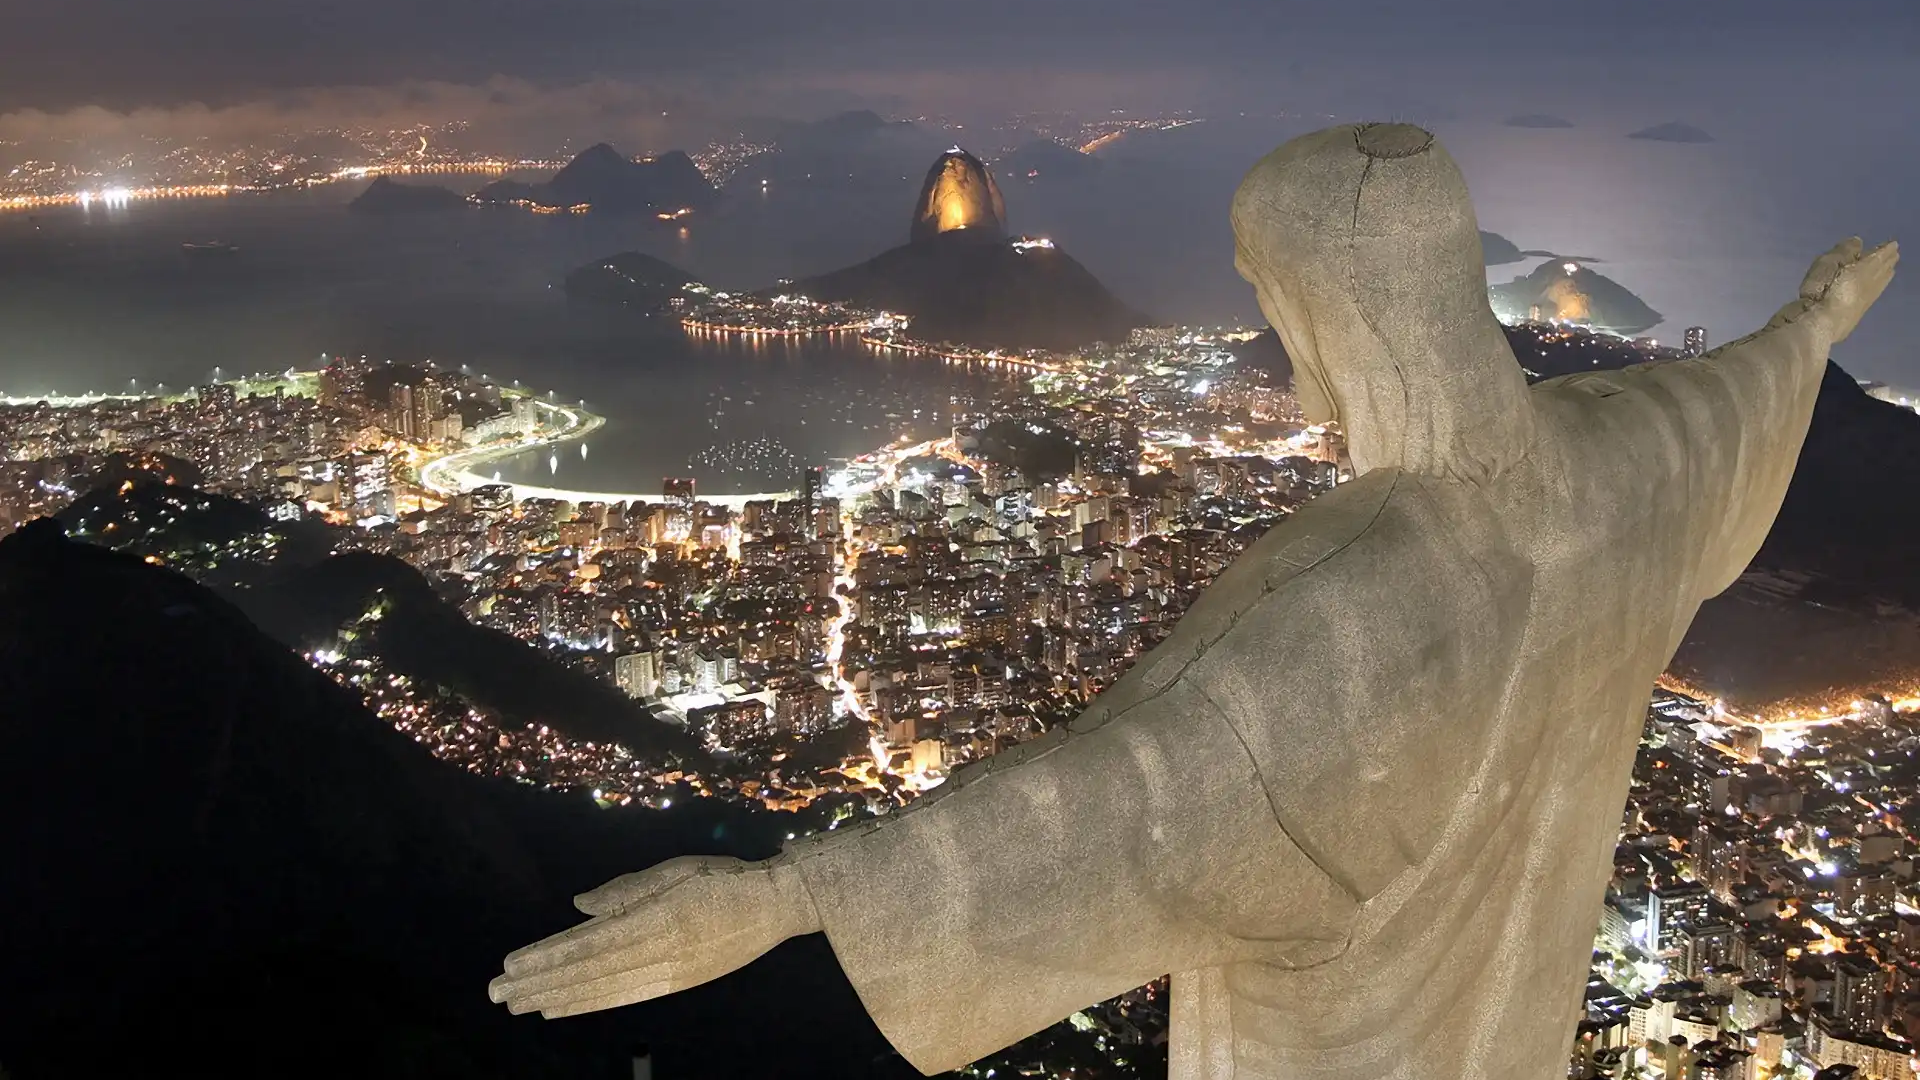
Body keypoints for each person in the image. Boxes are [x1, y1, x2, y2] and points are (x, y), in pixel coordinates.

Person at [489, 123, 1898, 1080]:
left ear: (1337, 315)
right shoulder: (1622, 467)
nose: (1285, 367)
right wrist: (1817, 321)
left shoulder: (1350, 607)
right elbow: (1736, 399)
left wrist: (786, 894)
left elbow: (1114, 801)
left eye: (1281, 312)